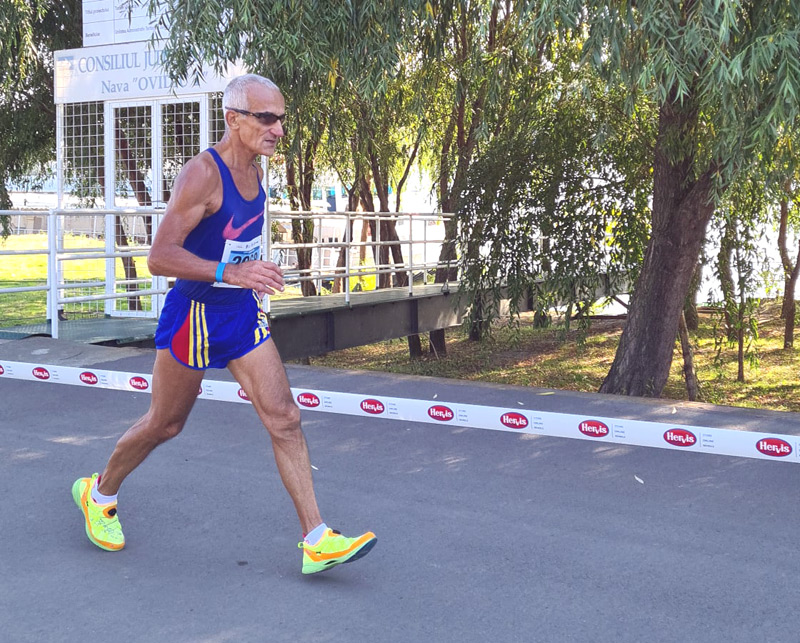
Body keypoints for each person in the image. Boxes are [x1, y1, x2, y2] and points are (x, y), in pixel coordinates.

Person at [71, 74, 376, 575]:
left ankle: (317, 539)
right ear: (233, 119)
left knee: (285, 418)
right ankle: (99, 494)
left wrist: (255, 272)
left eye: (281, 119)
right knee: (165, 424)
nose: (278, 129)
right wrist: (230, 272)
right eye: (267, 118)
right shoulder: (202, 174)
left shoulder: (256, 171)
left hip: (240, 315)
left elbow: (236, 240)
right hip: (193, 317)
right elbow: (159, 256)